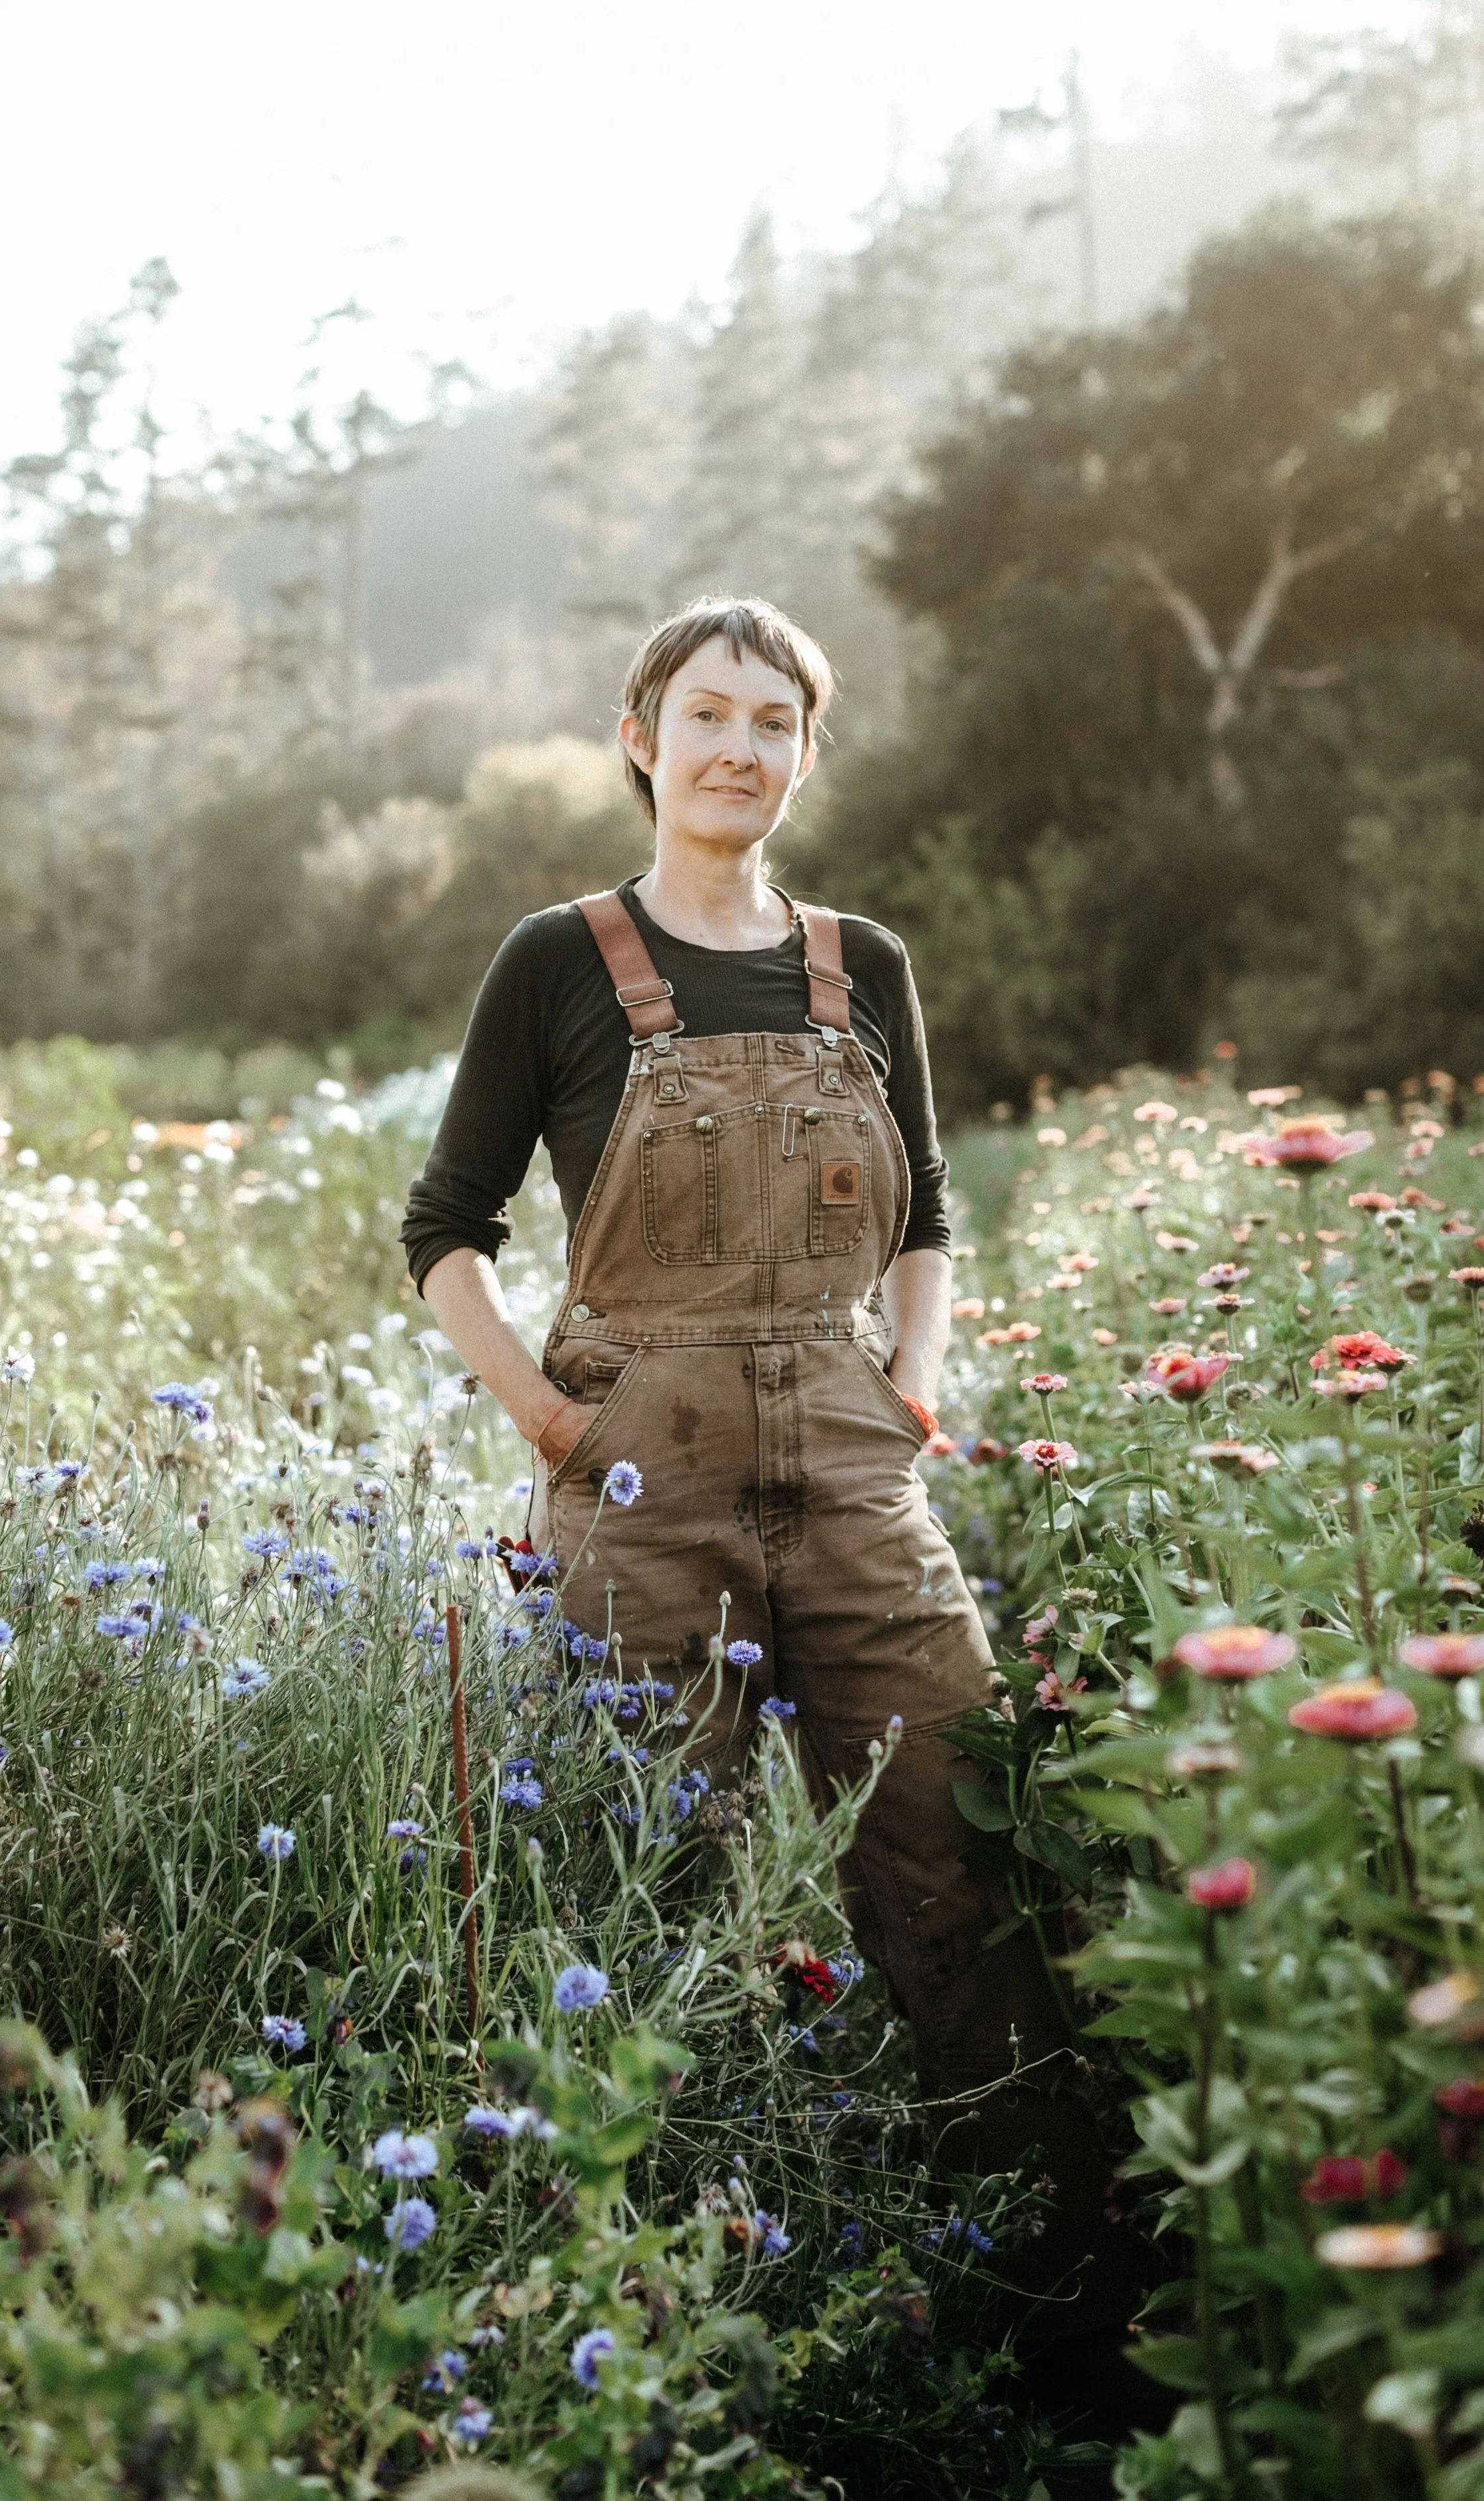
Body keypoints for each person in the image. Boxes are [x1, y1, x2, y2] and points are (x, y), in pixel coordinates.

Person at [403, 595, 1139, 2364]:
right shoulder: (558, 960)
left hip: (855, 1466)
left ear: (804, 754)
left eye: (774, 720)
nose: (740, 746)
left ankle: (1052, 2286)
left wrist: (914, 1381)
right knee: (647, 1877)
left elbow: (931, 1219)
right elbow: (446, 1230)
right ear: (643, 734)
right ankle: (657, 2306)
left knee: (958, 1847)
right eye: (707, 712)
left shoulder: (856, 964)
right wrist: (553, 1425)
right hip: (639, 1484)